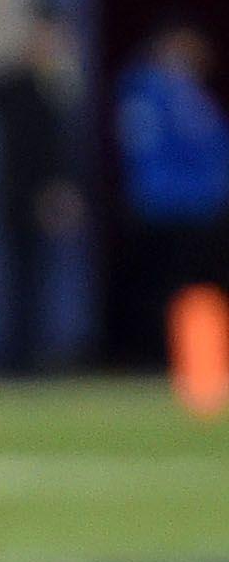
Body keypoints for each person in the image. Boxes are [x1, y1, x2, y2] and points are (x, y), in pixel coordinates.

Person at [115, 24, 229, 348]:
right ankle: (161, 354)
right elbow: (153, 147)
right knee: (167, 285)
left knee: (196, 287)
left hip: (200, 204)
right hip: (169, 204)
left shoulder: (189, 90)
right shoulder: (149, 88)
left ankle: (197, 355)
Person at [0, 18, 84, 374]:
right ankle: (18, 357)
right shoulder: (16, 87)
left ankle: (35, 354)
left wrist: (62, 192)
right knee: (19, 277)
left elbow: (62, 149)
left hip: (45, 198)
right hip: (16, 197)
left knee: (40, 277)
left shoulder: (59, 89)